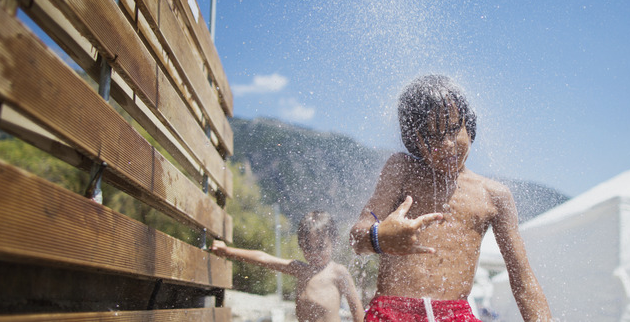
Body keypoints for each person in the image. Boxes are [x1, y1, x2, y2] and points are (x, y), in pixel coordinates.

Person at [350, 75, 552, 322]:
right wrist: (379, 237)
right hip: (392, 312)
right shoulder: (402, 170)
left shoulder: (494, 196)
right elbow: (356, 238)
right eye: (432, 137)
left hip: (456, 315)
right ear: (414, 140)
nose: (446, 144)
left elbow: (522, 279)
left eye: (454, 130)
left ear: (469, 124)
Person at [212, 210, 365, 322]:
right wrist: (227, 251)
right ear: (301, 246)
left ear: (334, 241)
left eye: (320, 247)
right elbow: (264, 259)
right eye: (308, 248)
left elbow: (358, 313)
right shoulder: (299, 269)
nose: (314, 254)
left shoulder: (338, 272)